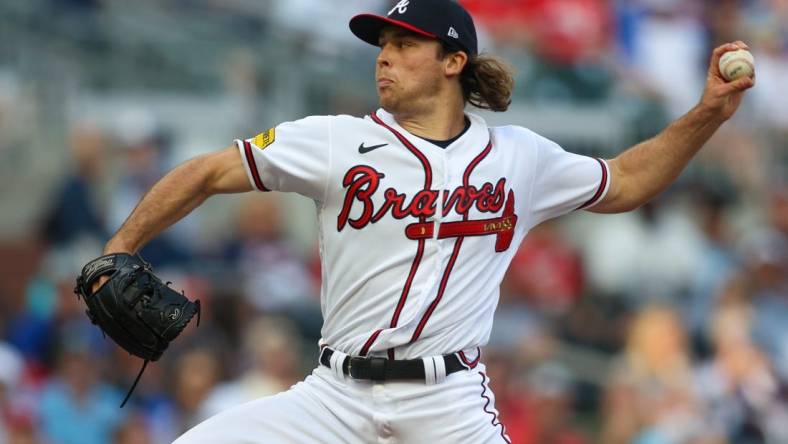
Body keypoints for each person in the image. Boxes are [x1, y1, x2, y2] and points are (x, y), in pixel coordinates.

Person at [92, 0, 754, 442]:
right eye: (382, 43)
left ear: (453, 60)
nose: (384, 55)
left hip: (449, 404)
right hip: (333, 397)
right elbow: (209, 170)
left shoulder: (517, 158)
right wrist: (117, 247)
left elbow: (629, 180)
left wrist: (707, 114)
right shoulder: (335, 140)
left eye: (404, 43)